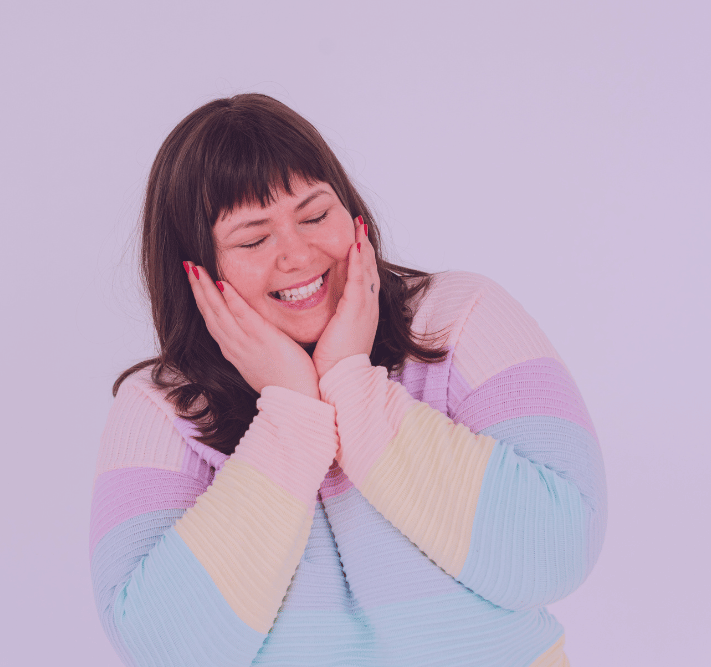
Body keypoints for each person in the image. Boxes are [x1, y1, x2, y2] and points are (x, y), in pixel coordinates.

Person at [89, 93, 606, 667]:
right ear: (198, 273)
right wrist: (290, 414)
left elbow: (558, 549)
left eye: (315, 216)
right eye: (254, 239)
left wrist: (350, 386)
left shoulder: (459, 319)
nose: (299, 255)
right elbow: (163, 647)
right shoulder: (163, 409)